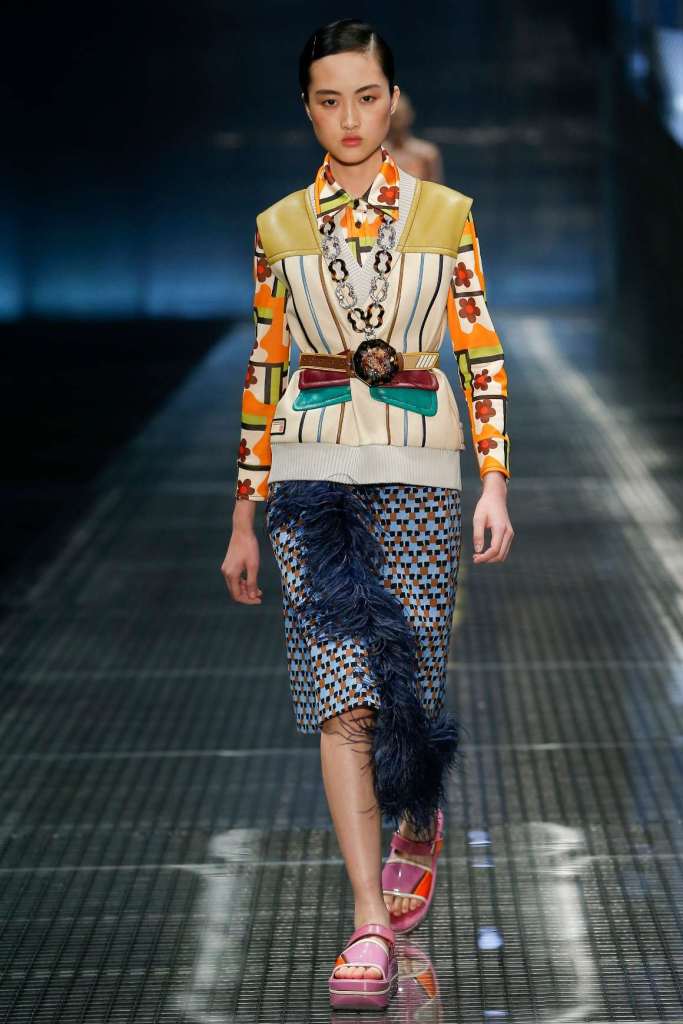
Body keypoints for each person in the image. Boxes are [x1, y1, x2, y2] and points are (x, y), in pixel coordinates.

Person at [221, 18, 514, 1011]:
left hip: (420, 470)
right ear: (306, 110)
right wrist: (242, 514)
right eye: (327, 100)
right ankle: (365, 922)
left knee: (408, 685)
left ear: (391, 101)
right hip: (310, 478)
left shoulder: (445, 213)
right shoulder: (276, 226)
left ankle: (417, 813)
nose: (348, 118)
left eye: (365, 96)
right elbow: (264, 369)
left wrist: (495, 481)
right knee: (340, 695)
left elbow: (478, 345)